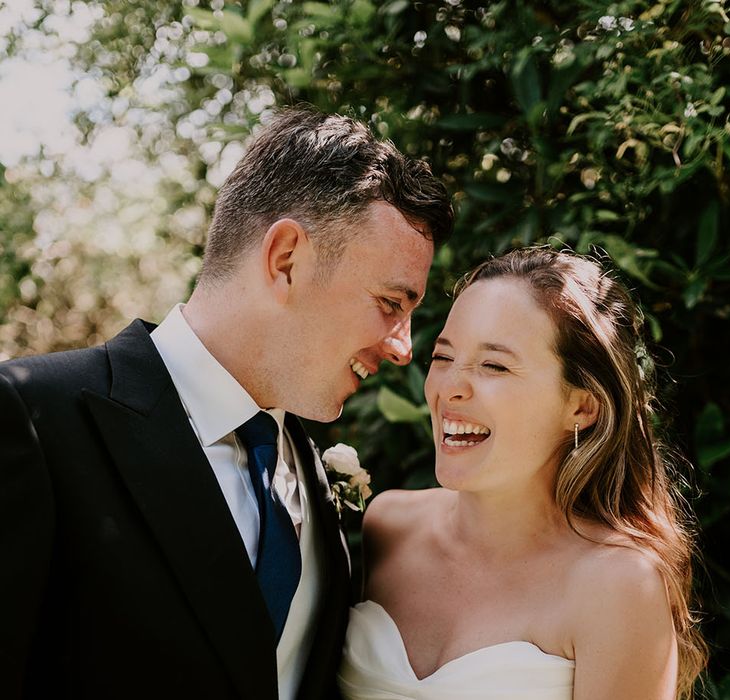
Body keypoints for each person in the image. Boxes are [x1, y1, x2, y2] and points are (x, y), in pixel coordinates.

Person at [0, 107, 453, 700]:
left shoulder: (310, 468)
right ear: (286, 258)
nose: (403, 348)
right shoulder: (32, 418)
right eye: (392, 303)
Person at [339, 247, 707, 700]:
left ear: (581, 406)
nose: (451, 387)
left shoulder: (619, 586)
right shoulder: (388, 526)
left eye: (494, 365)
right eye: (443, 357)